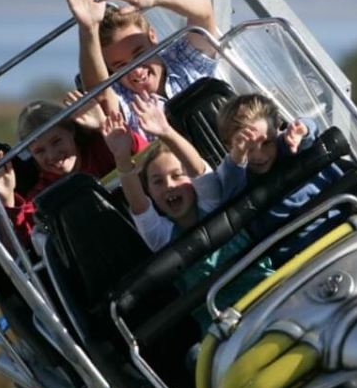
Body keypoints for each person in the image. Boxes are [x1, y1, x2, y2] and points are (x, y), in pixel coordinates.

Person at [102, 97, 272, 329]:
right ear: (150, 192)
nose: (170, 186)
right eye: (158, 182)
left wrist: (164, 131)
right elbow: (139, 205)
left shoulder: (213, 202)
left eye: (177, 175)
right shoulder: (161, 237)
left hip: (266, 291)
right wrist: (122, 158)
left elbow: (197, 168)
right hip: (222, 322)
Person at [65, 0, 218, 138]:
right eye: (121, 66)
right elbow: (100, 94)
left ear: (152, 36)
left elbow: (204, 13)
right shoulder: (122, 98)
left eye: (139, 55)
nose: (136, 71)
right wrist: (89, 29)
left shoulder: (182, 58)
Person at [0, 93, 147, 245]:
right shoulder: (41, 194)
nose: (52, 155)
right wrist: (6, 199)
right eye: (39, 151)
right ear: (31, 155)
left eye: (56, 141)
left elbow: (148, 160)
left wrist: (103, 126)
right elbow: (24, 245)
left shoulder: (103, 148)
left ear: (71, 131)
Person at [216, 93, 345, 266]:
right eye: (248, 148)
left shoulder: (286, 146)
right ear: (230, 147)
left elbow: (309, 131)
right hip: (301, 256)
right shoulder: (237, 176)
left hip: (343, 217)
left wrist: (301, 131)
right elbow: (230, 189)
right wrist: (238, 157)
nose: (258, 155)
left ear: (277, 128)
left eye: (266, 143)